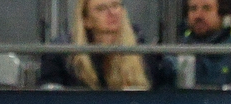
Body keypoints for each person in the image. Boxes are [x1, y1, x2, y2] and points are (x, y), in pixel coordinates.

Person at [40, 0, 170, 91]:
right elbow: (50, 98)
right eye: (101, 8)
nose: (112, 12)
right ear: (86, 20)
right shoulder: (62, 54)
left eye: (116, 5)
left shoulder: (143, 52)